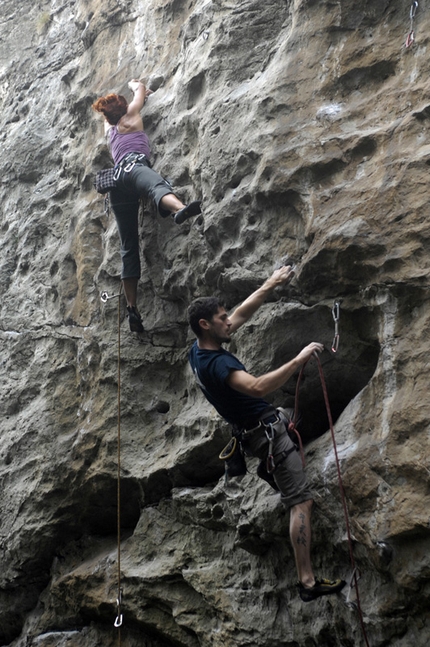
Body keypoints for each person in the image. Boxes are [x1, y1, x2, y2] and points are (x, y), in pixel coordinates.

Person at [187, 266, 346, 602]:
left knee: (299, 414)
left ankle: (272, 466)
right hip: (265, 436)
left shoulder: (199, 349)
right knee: (301, 501)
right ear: (206, 324)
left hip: (264, 422)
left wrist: (272, 283)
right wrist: (299, 359)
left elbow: (243, 311)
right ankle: (306, 581)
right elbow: (258, 387)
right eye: (221, 317)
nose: (229, 320)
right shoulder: (218, 365)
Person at [93, 79, 201, 332]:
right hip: (134, 167)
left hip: (116, 182)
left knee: (128, 246)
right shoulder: (131, 115)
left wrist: (108, 108)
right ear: (125, 107)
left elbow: (105, 118)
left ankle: (132, 308)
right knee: (156, 186)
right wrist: (136, 85)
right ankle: (178, 209)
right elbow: (139, 89)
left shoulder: (109, 132)